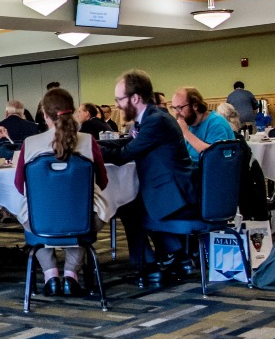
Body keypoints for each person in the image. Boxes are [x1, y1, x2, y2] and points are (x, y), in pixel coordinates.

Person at [100, 70, 197, 287]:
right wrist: (95, 144)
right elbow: (126, 143)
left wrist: (92, 151)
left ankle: (149, 267)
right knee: (132, 205)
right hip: (169, 189)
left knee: (128, 208)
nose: (116, 106)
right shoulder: (150, 118)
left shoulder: (156, 122)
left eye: (119, 100)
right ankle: (177, 255)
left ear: (135, 98)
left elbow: (124, 154)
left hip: (174, 194)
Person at [14, 88, 109, 297]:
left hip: (41, 222)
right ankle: (70, 275)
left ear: (44, 115)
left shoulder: (29, 144)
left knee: (34, 216)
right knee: (80, 215)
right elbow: (103, 181)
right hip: (82, 222)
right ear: (72, 111)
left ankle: (50, 276)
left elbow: (19, 185)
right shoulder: (88, 141)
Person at [171, 87, 234, 165]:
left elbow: (215, 156)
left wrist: (186, 133)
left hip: (211, 174)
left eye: (180, 108)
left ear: (195, 106)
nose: (176, 113)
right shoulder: (189, 123)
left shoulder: (216, 123)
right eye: (174, 108)